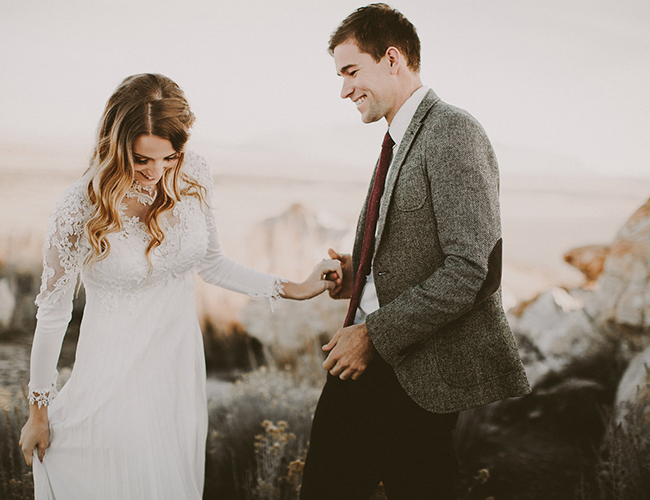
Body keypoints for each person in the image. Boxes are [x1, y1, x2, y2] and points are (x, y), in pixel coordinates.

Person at [18, 73, 343, 500]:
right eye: (142, 159)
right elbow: (54, 312)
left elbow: (213, 264)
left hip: (176, 371)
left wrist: (295, 288)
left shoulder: (194, 175)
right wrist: (38, 412)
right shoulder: (80, 206)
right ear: (115, 145)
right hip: (113, 376)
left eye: (169, 158)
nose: (156, 173)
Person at [299, 4, 531, 499]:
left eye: (351, 71)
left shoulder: (451, 131)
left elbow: (473, 269)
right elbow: (413, 251)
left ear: (392, 58)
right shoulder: (399, 137)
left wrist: (373, 335)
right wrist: (353, 273)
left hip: (415, 372)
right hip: (369, 363)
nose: (343, 89)